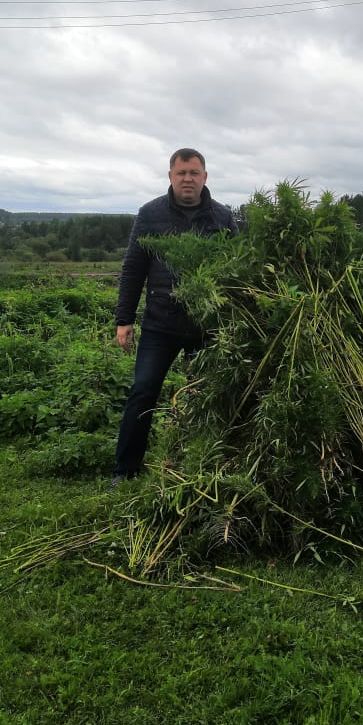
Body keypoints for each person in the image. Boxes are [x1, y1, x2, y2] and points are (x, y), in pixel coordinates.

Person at [111, 149, 238, 484]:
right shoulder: (150, 214)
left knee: (206, 396)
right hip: (160, 325)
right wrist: (124, 319)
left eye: (194, 173)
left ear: (205, 178)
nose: (188, 179)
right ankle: (125, 471)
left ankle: (202, 464)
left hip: (206, 326)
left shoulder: (222, 218)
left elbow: (237, 272)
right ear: (170, 176)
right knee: (143, 391)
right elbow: (133, 270)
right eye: (181, 173)